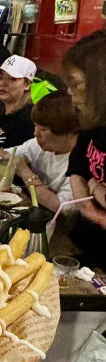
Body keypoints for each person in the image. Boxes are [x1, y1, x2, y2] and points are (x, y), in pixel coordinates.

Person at [0, 91, 79, 211]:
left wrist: (25, 172)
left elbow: (60, 208)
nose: (36, 134)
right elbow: (6, 156)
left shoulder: (78, 164)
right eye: (35, 126)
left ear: (68, 133)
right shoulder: (37, 144)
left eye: (43, 129)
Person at [63, 30, 106, 257]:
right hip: (84, 243)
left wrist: (96, 188)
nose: (70, 92)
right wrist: (90, 206)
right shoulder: (95, 121)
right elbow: (77, 165)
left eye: (77, 85)